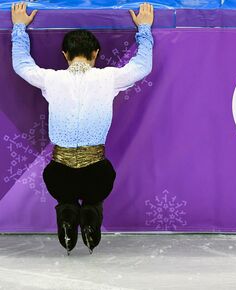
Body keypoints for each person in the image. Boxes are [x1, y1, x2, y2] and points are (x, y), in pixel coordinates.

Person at [11, 1, 155, 255]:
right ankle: (90, 212)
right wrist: (144, 28)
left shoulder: (52, 79)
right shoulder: (109, 77)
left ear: (64, 54)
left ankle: (67, 211)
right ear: (96, 53)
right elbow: (142, 66)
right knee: (95, 191)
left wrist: (19, 28)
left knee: (64, 193)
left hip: (59, 174)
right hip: (97, 174)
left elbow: (22, 65)